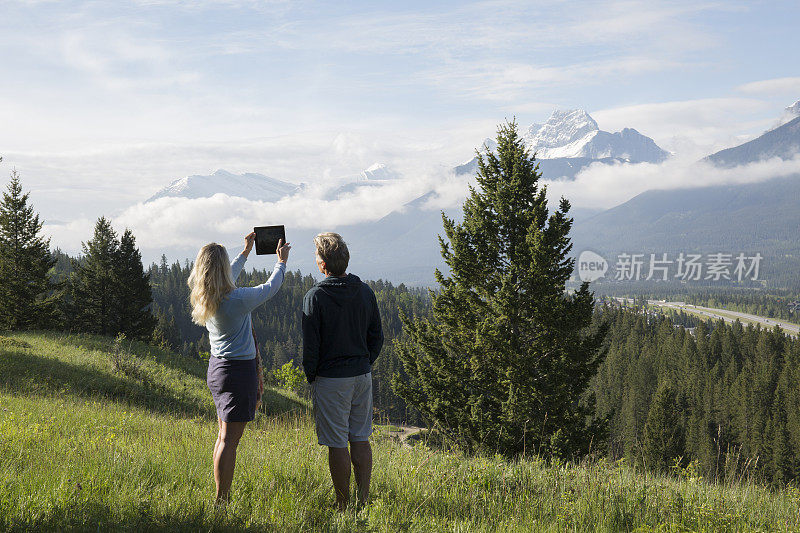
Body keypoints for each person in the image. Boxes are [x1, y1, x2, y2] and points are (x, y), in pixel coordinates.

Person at [188, 232, 291, 503]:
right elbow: (269, 288)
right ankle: (222, 500)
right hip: (238, 372)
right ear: (222, 269)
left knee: (223, 437)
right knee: (229, 441)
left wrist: (245, 252)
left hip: (217, 369)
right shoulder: (237, 300)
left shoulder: (205, 295)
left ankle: (220, 495)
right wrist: (281, 262)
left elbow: (228, 274)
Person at [302, 232, 384, 511]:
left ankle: (342, 503)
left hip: (331, 379)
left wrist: (312, 375)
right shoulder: (364, 291)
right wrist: (364, 362)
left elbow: (311, 346)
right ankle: (363, 500)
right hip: (361, 375)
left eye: (317, 257)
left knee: (337, 444)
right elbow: (377, 337)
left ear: (323, 265)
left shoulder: (316, 296)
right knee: (360, 438)